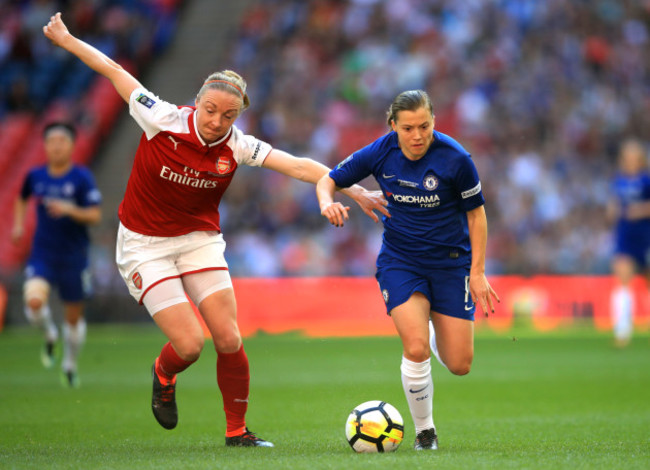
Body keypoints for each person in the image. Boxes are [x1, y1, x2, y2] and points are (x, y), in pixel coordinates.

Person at [42, 12, 388, 446]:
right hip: (144, 245)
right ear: (197, 102)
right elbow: (114, 70)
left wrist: (353, 189)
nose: (216, 121)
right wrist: (67, 38)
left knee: (228, 336)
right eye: (210, 111)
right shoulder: (162, 117)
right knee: (189, 345)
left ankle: (237, 432)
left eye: (228, 115)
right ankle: (163, 373)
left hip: (198, 240)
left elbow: (298, 165)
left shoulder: (237, 143)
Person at [317, 90, 499, 450]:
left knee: (460, 364)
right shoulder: (380, 151)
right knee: (414, 348)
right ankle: (425, 432)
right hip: (401, 261)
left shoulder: (456, 158)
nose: (417, 136)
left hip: (451, 264)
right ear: (393, 126)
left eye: (425, 127)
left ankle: (435, 334)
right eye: (408, 128)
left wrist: (477, 272)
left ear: (434, 122)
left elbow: (477, 215)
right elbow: (328, 179)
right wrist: (328, 202)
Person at [12, 121, 103, 388]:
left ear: (72, 146)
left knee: (73, 317)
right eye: (51, 141)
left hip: (74, 256)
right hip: (43, 253)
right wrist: (18, 226)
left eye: (62, 141)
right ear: (45, 145)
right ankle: (50, 333)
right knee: (34, 304)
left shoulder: (81, 178)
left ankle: (70, 364)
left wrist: (69, 209)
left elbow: (95, 215)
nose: (56, 146)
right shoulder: (36, 176)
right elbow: (21, 197)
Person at [606, 139, 650, 348]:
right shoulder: (619, 181)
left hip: (646, 236)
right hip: (626, 237)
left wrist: (640, 210)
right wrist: (612, 211)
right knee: (622, 280)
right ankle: (622, 331)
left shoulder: (646, 180)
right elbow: (615, 204)